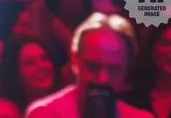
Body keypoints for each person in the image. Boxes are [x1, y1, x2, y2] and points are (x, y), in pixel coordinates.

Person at [25, 13, 153, 118]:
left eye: (113, 69)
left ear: (126, 70)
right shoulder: (45, 114)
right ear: (75, 60)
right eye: (93, 66)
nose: (103, 79)